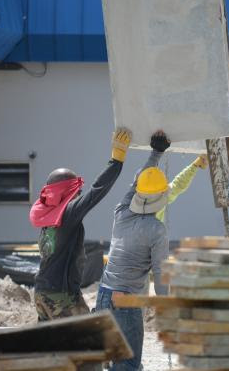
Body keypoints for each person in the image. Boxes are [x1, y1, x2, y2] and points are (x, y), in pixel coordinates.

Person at [29, 127, 132, 321]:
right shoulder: (68, 214)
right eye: (76, 191)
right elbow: (96, 191)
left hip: (42, 292)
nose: (79, 195)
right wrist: (116, 161)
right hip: (62, 295)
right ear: (69, 191)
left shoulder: (49, 217)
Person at [96, 131, 172, 371]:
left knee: (109, 360)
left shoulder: (122, 211)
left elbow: (138, 181)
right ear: (162, 197)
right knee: (126, 364)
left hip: (103, 296)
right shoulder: (156, 230)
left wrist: (156, 153)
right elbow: (161, 274)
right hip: (126, 301)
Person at [156, 154, 207, 223]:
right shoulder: (158, 202)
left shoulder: (156, 202)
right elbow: (178, 185)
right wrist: (195, 165)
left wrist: (195, 165)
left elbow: (178, 185)